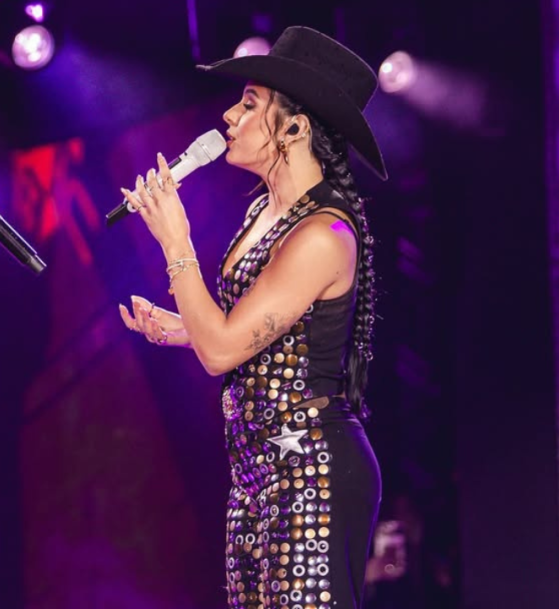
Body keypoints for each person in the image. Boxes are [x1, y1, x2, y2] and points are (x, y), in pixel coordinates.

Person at [117, 26, 384, 609]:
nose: (230, 118)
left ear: (295, 127)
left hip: (311, 464)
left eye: (249, 105)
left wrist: (176, 240)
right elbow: (255, 332)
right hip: (256, 470)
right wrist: (182, 328)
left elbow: (223, 354)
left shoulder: (323, 233)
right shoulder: (265, 211)